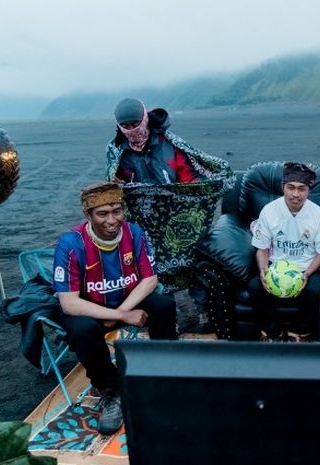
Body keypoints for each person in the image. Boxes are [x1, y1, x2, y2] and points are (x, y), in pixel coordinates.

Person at [52, 181, 178, 435]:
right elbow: (69, 303)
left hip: (126, 299)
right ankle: (112, 392)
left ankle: (163, 371)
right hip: (90, 308)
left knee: (164, 305)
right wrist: (120, 316)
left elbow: (150, 279)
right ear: (87, 215)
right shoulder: (70, 244)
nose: (112, 220)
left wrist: (123, 309)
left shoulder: (134, 233)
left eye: (117, 211)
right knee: (82, 330)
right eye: (102, 213)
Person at [248, 162, 320, 342]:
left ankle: (299, 332)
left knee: (315, 290)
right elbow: (262, 248)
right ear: (282, 187)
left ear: (309, 191)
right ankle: (271, 333)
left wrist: (307, 275)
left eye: (302, 189)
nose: (295, 194)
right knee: (255, 286)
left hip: (306, 266)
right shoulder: (269, 211)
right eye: (290, 188)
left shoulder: (317, 214)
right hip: (276, 266)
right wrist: (263, 270)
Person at [106, 98, 230, 185]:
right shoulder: (117, 151)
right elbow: (115, 182)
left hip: (171, 208)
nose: (131, 130)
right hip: (137, 214)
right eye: (125, 126)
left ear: (144, 119)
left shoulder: (169, 144)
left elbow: (188, 177)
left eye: (135, 124)